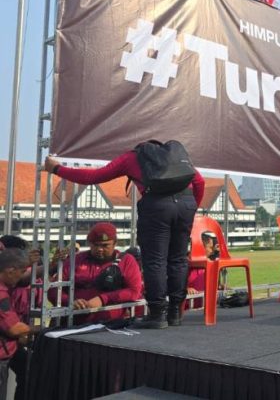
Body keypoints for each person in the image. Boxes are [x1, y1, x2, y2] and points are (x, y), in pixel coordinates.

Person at [45, 142, 204, 329]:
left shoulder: (133, 157)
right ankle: (175, 313)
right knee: (178, 260)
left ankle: (157, 314)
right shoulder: (175, 156)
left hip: (157, 207)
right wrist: (192, 209)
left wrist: (57, 169)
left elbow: (93, 176)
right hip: (186, 204)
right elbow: (200, 182)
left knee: (155, 261)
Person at [48, 223, 143, 325]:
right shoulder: (76, 260)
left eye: (105, 245)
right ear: (89, 243)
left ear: (115, 243)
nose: (99, 249)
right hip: (72, 323)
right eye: (95, 245)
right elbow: (53, 289)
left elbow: (134, 291)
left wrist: (103, 299)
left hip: (110, 325)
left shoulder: (126, 261)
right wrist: (70, 302)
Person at [0, 249, 36, 400]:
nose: (22, 276)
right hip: (2, 353)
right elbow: (14, 329)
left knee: (29, 367)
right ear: (10, 271)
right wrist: (42, 329)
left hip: (9, 348)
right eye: (21, 272)